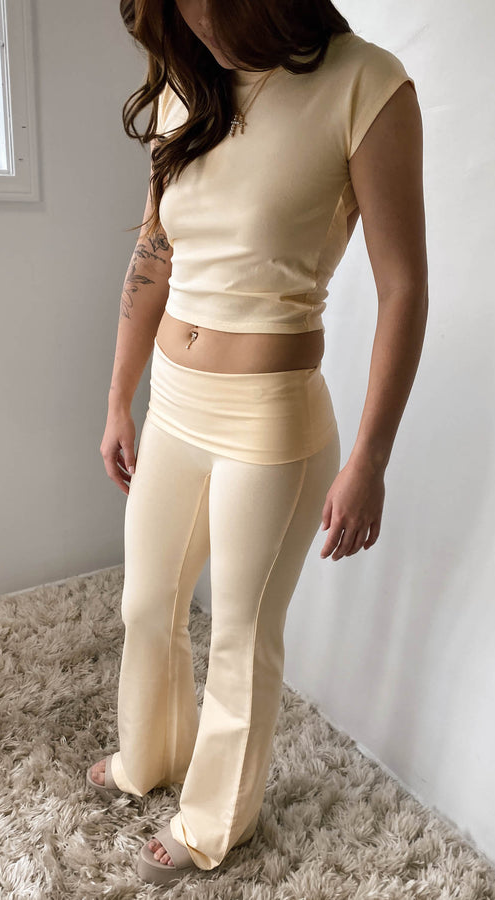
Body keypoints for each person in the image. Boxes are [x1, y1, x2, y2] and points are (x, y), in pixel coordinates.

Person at [88, 0, 428, 886]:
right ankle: (149, 760)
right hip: (175, 400)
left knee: (240, 635)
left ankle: (212, 824)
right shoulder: (183, 86)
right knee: (146, 605)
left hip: (269, 419)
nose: (186, 23)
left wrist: (371, 459)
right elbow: (154, 253)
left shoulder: (366, 83)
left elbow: (403, 286)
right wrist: (119, 397)